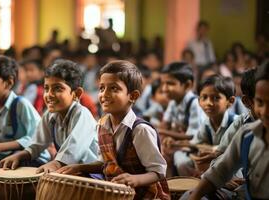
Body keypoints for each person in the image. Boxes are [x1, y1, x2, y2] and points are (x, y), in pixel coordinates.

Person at [57, 60, 170, 199]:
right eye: (102, 88)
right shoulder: (102, 125)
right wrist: (79, 167)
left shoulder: (140, 130)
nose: (104, 94)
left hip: (145, 195)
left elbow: (158, 172)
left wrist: (135, 180)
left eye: (114, 88)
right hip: (115, 192)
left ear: (133, 96)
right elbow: (105, 164)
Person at [0, 59, 98, 173]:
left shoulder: (82, 114)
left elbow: (74, 147)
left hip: (90, 173)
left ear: (76, 94)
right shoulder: (50, 115)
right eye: (47, 88)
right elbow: (37, 144)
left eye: (57, 88)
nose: (49, 95)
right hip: (67, 169)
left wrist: (56, 164)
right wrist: (20, 156)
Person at [189, 62, 269, 200]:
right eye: (260, 103)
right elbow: (221, 168)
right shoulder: (247, 134)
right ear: (249, 102)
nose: (266, 112)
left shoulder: (237, 122)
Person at [174, 75, 236, 176]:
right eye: (204, 97)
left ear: (230, 101)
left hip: (230, 164)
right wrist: (175, 143)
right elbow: (196, 143)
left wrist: (211, 149)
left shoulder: (235, 122)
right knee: (180, 158)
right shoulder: (207, 123)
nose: (209, 103)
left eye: (216, 98)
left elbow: (234, 150)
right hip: (213, 162)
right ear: (199, 101)